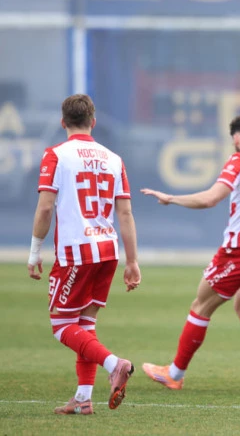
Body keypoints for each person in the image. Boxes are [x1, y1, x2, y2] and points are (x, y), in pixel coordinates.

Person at [141, 114, 240, 389]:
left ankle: (174, 374)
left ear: (236, 137)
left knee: (200, 306)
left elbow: (211, 198)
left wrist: (172, 198)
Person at [28, 94, 140, 415]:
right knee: (85, 324)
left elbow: (45, 207)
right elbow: (125, 213)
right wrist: (132, 261)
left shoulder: (56, 155)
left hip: (76, 252)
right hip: (107, 250)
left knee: (62, 326)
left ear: (62, 122)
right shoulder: (114, 159)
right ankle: (83, 398)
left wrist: (34, 251)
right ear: (93, 122)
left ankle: (115, 364)